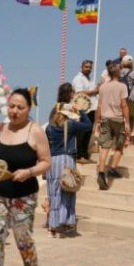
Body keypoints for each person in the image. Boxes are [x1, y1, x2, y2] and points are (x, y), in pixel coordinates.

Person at [0, 89, 50, 266]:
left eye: (20, 107)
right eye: (11, 106)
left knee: (24, 241)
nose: (14, 111)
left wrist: (28, 172)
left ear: (28, 109)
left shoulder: (35, 131)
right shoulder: (0, 129)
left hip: (24, 196)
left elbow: (46, 162)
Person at [44, 83, 91, 237]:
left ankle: (52, 226)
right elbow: (88, 125)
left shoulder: (49, 128)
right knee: (67, 191)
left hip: (52, 161)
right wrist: (81, 110)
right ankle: (61, 227)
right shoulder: (70, 125)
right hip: (66, 159)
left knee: (54, 193)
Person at [95, 63, 130, 190]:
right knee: (119, 146)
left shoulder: (102, 87)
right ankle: (112, 169)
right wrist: (127, 122)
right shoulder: (122, 86)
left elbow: (99, 106)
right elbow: (124, 104)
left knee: (105, 148)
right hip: (118, 119)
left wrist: (97, 122)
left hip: (105, 119)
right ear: (117, 73)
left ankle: (101, 172)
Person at [71, 60, 98, 163]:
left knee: (88, 132)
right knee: (81, 132)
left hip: (91, 108)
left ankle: (85, 155)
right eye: (86, 67)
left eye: (90, 67)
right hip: (82, 109)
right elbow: (80, 93)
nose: (88, 69)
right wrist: (94, 91)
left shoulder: (89, 79)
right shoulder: (78, 78)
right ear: (81, 67)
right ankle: (79, 156)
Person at [118, 55, 134, 130]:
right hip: (131, 98)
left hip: (120, 98)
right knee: (131, 117)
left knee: (122, 115)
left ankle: (122, 132)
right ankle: (129, 133)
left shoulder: (119, 72)